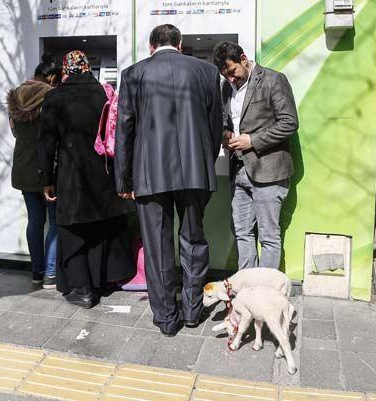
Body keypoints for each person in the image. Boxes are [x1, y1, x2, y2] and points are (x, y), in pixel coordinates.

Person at [114, 25, 223, 336]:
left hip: (150, 174)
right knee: (194, 241)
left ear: (151, 46)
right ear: (180, 43)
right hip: (195, 172)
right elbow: (215, 126)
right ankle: (192, 310)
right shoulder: (205, 72)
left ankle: (166, 317)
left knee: (157, 247)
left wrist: (123, 179)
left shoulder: (133, 74)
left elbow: (125, 130)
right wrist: (204, 161)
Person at [39, 50, 136, 308]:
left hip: (73, 178)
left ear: (65, 69)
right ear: (86, 68)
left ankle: (83, 290)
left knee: (73, 233)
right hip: (105, 174)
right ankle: (101, 283)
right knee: (100, 229)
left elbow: (47, 143)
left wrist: (47, 179)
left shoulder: (54, 97)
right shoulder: (105, 92)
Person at [212, 42, 298, 270]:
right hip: (238, 171)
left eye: (233, 72)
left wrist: (252, 140)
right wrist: (225, 133)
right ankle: (248, 289)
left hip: (269, 172)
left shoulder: (273, 80)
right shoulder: (225, 87)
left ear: (244, 58)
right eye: (225, 75)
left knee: (269, 237)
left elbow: (289, 122)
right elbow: (225, 119)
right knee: (242, 234)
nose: (231, 79)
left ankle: (266, 294)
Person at [7, 54, 60, 289]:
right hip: (48, 168)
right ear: (50, 77)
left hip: (23, 167)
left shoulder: (16, 97)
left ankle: (36, 273)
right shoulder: (51, 97)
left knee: (34, 222)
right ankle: (50, 274)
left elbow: (15, 132)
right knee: (56, 222)